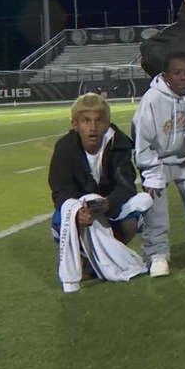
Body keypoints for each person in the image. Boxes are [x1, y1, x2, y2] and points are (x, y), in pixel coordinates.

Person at [50, 93, 153, 291]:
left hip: (108, 209)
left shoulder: (119, 144)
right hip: (81, 209)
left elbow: (126, 186)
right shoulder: (65, 148)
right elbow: (60, 190)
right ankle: (88, 258)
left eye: (99, 121)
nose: (92, 127)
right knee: (63, 217)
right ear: (75, 124)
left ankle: (105, 257)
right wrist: (78, 212)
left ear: (107, 123)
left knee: (137, 210)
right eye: (86, 121)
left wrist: (106, 204)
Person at [132, 52, 185, 276]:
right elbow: (142, 143)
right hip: (158, 161)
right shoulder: (152, 100)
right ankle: (157, 254)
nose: (184, 77)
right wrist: (150, 171)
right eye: (177, 72)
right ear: (165, 76)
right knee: (156, 210)